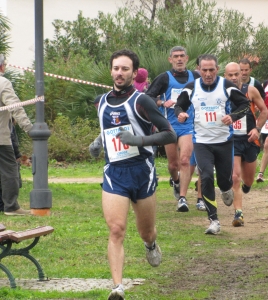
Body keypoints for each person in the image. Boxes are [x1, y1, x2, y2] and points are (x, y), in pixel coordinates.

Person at [88, 49, 177, 300]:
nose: (120, 73)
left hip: (141, 171)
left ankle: (150, 244)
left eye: (125, 69)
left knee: (146, 231)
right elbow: (110, 128)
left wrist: (138, 140)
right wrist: (97, 142)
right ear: (111, 70)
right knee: (116, 229)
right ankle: (117, 287)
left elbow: (169, 134)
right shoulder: (101, 101)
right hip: (114, 172)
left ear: (134, 73)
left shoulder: (142, 101)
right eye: (116, 68)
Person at [174, 54, 250, 234]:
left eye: (211, 70)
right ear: (199, 70)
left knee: (225, 181)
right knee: (206, 176)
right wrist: (181, 114)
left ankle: (225, 190)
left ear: (217, 69)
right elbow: (179, 106)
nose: (208, 74)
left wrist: (232, 116)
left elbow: (245, 105)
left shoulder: (226, 86)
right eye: (204, 70)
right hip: (201, 142)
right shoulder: (192, 88)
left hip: (224, 141)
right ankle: (213, 220)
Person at [146, 46, 200, 212]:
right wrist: (162, 102)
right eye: (175, 56)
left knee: (185, 160)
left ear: (187, 58)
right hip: (168, 125)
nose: (179, 59)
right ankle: (175, 181)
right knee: (173, 165)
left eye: (182, 56)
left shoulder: (195, 76)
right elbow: (147, 97)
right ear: (170, 59)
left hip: (188, 124)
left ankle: (183, 199)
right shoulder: (164, 78)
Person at [224, 62, 268, 227]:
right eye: (231, 75)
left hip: (249, 139)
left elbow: (264, 111)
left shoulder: (250, 90)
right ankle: (238, 213)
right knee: (235, 177)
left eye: (237, 74)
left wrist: (257, 128)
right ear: (225, 76)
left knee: (248, 181)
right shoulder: (221, 92)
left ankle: (246, 187)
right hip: (231, 139)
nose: (234, 78)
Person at [0, 54, 32, 216]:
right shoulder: (3, 82)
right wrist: (28, 128)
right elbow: (15, 107)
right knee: (10, 171)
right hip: (1, 139)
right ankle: (11, 207)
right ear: (2, 67)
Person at [0, 118, 23, 212]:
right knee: (10, 174)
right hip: (5, 145)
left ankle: (3, 205)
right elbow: (13, 139)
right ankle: (11, 206)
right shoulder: (7, 123)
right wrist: (17, 154)